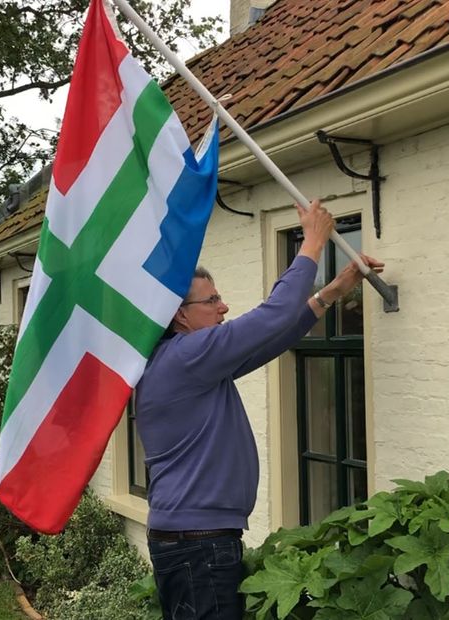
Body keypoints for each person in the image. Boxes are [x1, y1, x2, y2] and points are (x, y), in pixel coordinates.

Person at [134, 199, 385, 620]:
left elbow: (270, 339)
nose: (223, 307)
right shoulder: (189, 356)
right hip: (199, 545)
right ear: (180, 315)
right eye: (212, 300)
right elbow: (273, 315)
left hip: (192, 539)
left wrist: (332, 292)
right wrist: (312, 243)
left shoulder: (186, 361)